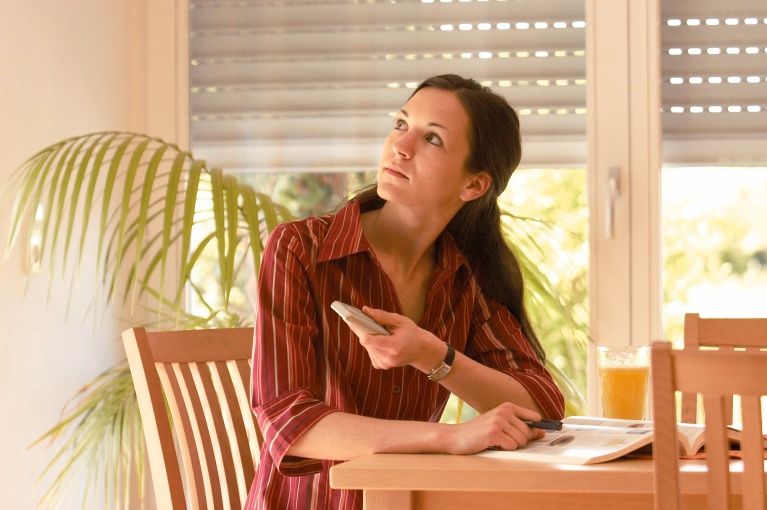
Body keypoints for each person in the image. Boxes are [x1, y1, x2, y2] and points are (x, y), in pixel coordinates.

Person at [245, 74, 565, 510]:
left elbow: (541, 405)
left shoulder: (464, 277)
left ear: (473, 185)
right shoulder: (301, 250)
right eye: (401, 124)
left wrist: (432, 355)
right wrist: (449, 438)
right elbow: (288, 419)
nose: (401, 146)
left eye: (432, 138)